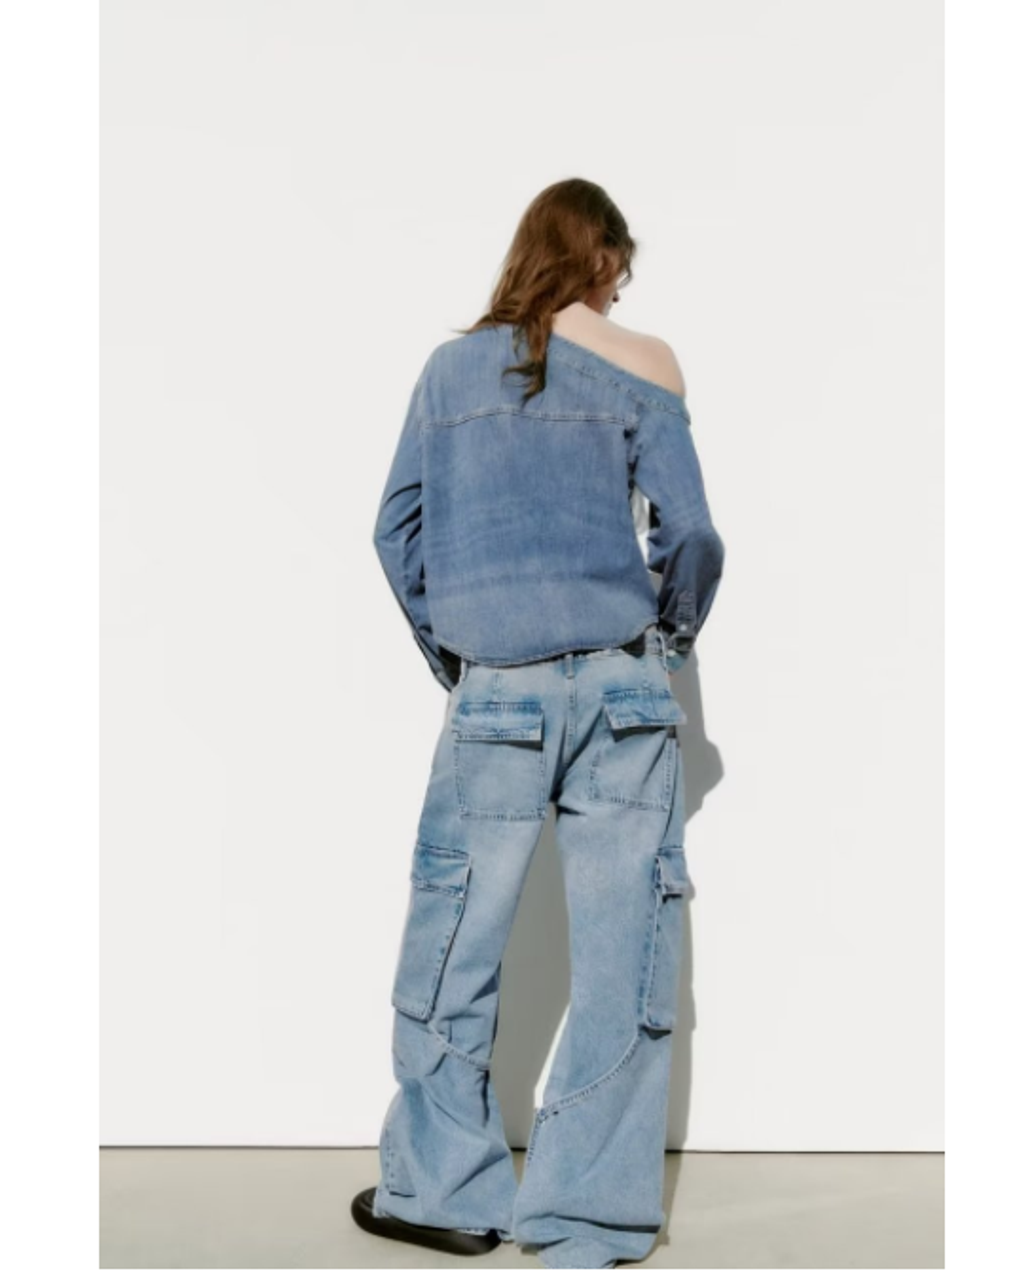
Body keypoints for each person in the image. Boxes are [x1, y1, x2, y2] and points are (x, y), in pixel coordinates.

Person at [351, 178, 726, 1270]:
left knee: (453, 944)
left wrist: (461, 655)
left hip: (497, 691)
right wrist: (664, 644)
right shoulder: (646, 363)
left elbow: (394, 531)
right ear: (599, 257)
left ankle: (444, 1193)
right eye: (618, 270)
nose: (618, 291)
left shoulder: (450, 372)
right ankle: (588, 1216)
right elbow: (693, 535)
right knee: (624, 958)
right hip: (623, 694)